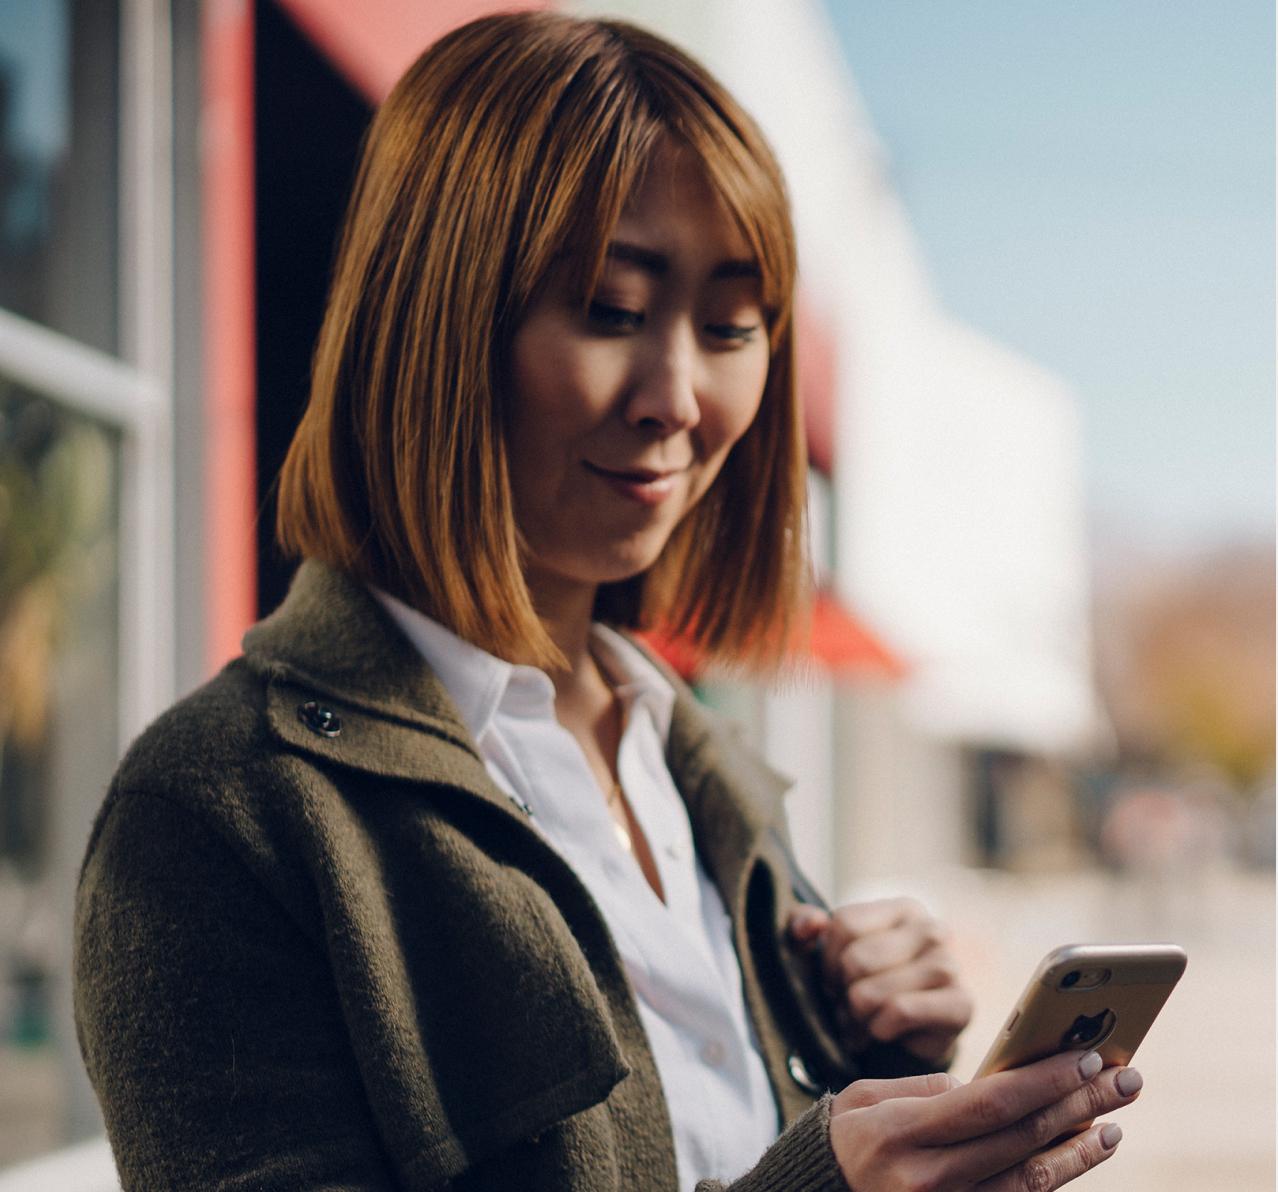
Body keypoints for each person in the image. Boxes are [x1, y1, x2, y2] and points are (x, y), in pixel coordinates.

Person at [73, 13, 1144, 1190]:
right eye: (609, 308)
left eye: (732, 327)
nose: (678, 397)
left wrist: (887, 1066)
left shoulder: (704, 772)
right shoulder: (219, 813)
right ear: (436, 316)